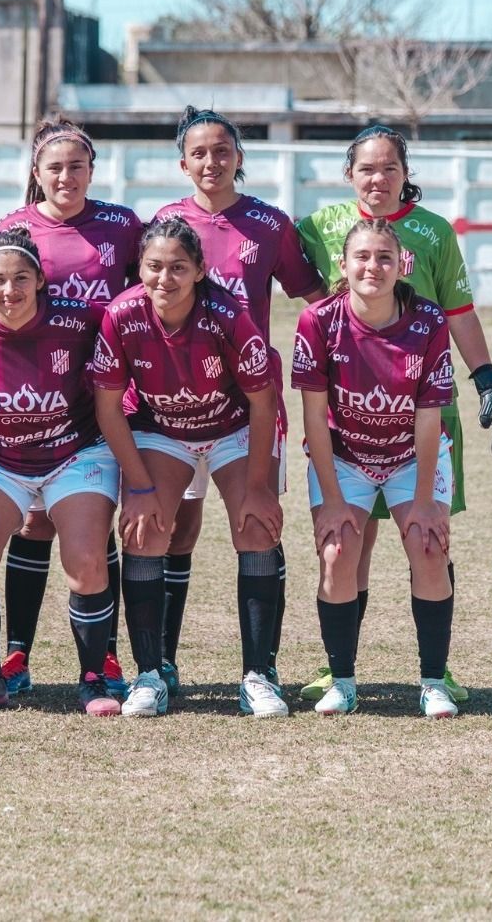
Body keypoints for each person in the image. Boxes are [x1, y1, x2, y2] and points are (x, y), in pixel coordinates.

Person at [295, 125, 492, 705]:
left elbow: (459, 309)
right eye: (367, 168)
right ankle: (339, 670)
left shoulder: (435, 231)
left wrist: (484, 376)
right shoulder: (316, 228)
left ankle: (438, 671)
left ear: (404, 171)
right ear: (349, 174)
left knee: (430, 535)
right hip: (348, 415)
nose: (378, 178)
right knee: (346, 545)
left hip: (423, 409)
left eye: (390, 167)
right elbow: (268, 268)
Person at [150, 106, 326, 696]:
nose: (210, 162)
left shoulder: (269, 224)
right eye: (198, 153)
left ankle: (260, 672)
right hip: (171, 405)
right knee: (173, 531)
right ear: (182, 162)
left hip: (245, 404)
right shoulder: (164, 223)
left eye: (221, 151)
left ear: (239, 159)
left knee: (255, 523)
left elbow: (314, 295)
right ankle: (162, 665)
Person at [92, 217, 284, 717]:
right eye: (154, 267)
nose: (164, 279)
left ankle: (259, 675)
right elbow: (108, 407)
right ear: (139, 269)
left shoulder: (228, 315)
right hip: (164, 428)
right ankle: (150, 674)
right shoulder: (122, 314)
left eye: (178, 267)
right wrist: (138, 487)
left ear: (200, 270)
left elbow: (263, 404)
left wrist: (260, 487)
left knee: (256, 527)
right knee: (142, 531)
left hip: (234, 426)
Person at [0, 228, 122, 716]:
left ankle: (94, 677)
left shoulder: (83, 320)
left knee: (85, 561)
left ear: (41, 279)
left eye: (21, 277)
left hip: (75, 453)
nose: (10, 290)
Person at [0, 117, 143, 700]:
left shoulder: (121, 226)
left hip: (102, 397)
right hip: (30, 397)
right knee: (31, 522)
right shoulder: (13, 229)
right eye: (54, 167)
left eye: (76, 166)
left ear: (91, 171)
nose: (66, 177)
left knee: (92, 525)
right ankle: (16, 654)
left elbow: (149, 289)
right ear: (36, 173)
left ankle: (102, 657)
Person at [291, 217, 459, 717]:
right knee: (338, 551)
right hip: (345, 458)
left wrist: (426, 501)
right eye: (362, 257)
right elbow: (314, 419)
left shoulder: (429, 322)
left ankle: (433, 682)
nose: (373, 267)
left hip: (411, 456)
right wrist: (332, 499)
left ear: (401, 265)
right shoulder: (318, 320)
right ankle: (342, 680)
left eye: (384, 257)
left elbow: (430, 419)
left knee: (428, 547)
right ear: (343, 265)